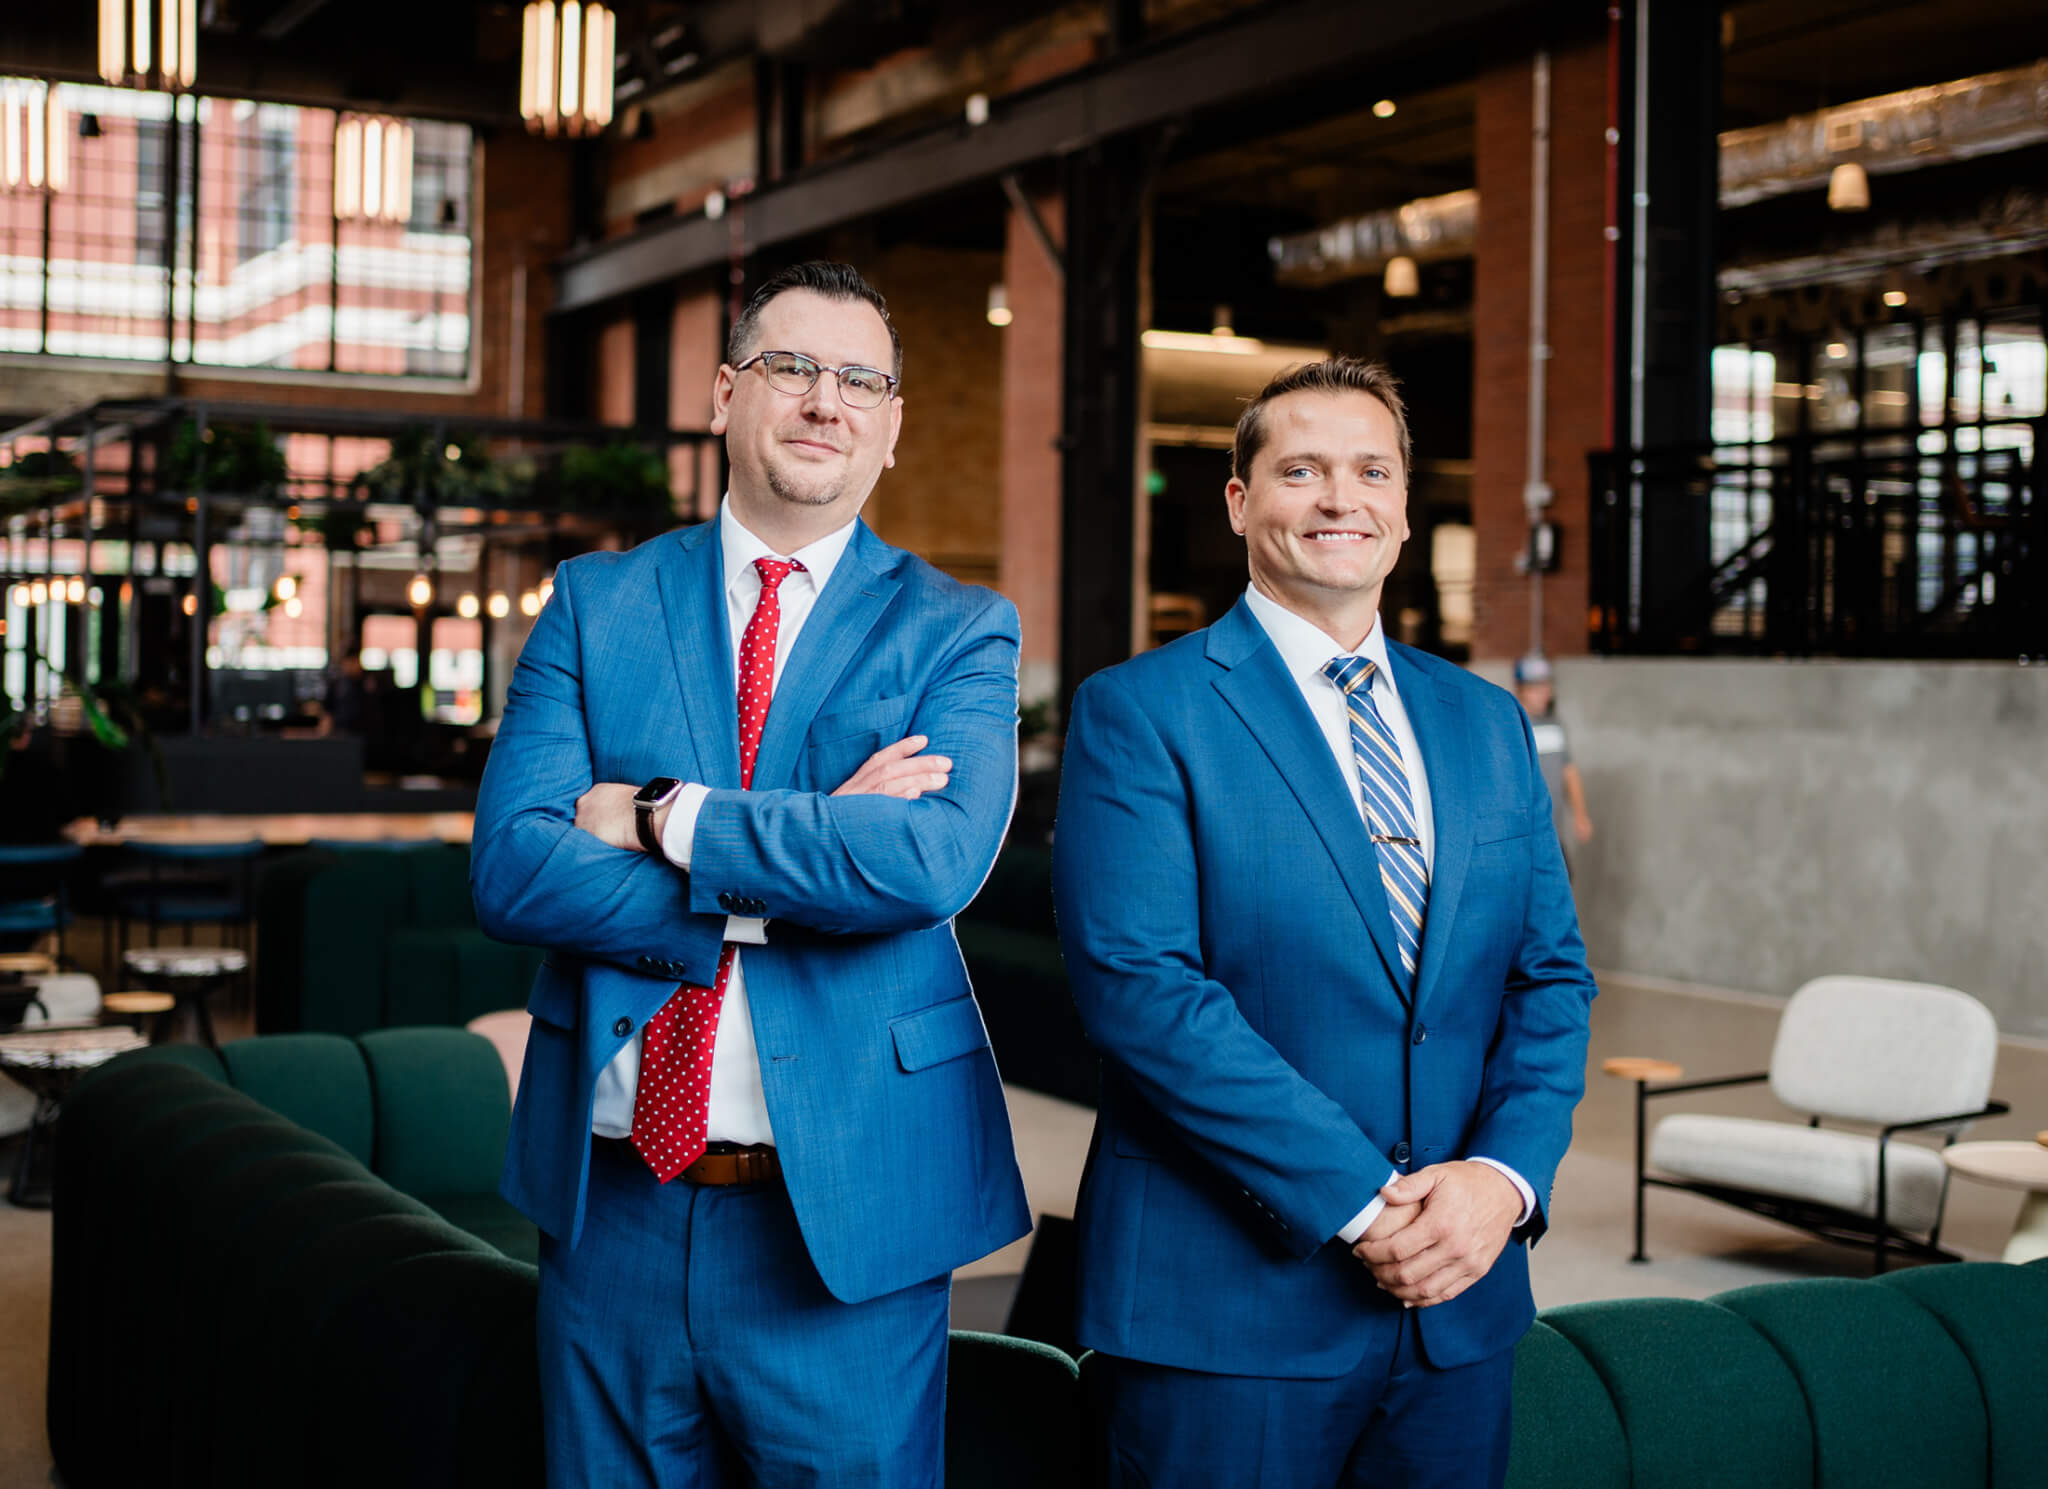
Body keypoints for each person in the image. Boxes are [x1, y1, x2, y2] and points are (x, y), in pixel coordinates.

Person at [471, 261, 1030, 1488]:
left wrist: (661, 816)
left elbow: (926, 863)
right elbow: (513, 867)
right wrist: (816, 852)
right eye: (792, 367)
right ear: (726, 393)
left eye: (860, 381)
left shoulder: (957, 628)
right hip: (611, 1205)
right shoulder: (596, 602)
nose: (826, 400)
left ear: (890, 425)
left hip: (849, 1213)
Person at [1052, 357, 1596, 1489]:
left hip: (1458, 1307)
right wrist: (1362, 1204)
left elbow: (1547, 977)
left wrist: (1501, 1179)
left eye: (1370, 471)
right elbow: (1142, 990)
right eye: (1300, 470)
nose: (1340, 498)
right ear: (1239, 501)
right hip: (1225, 1312)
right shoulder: (1140, 710)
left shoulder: (1485, 721)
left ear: (1404, 509)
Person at [1512, 653, 1594, 860]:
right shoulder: (1511, 727)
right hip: (1521, 841)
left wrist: (1580, 815)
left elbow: (1568, 772)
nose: (1544, 694)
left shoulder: (1555, 725)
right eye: (1537, 688)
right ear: (1521, 690)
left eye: (1546, 686)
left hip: (1553, 836)